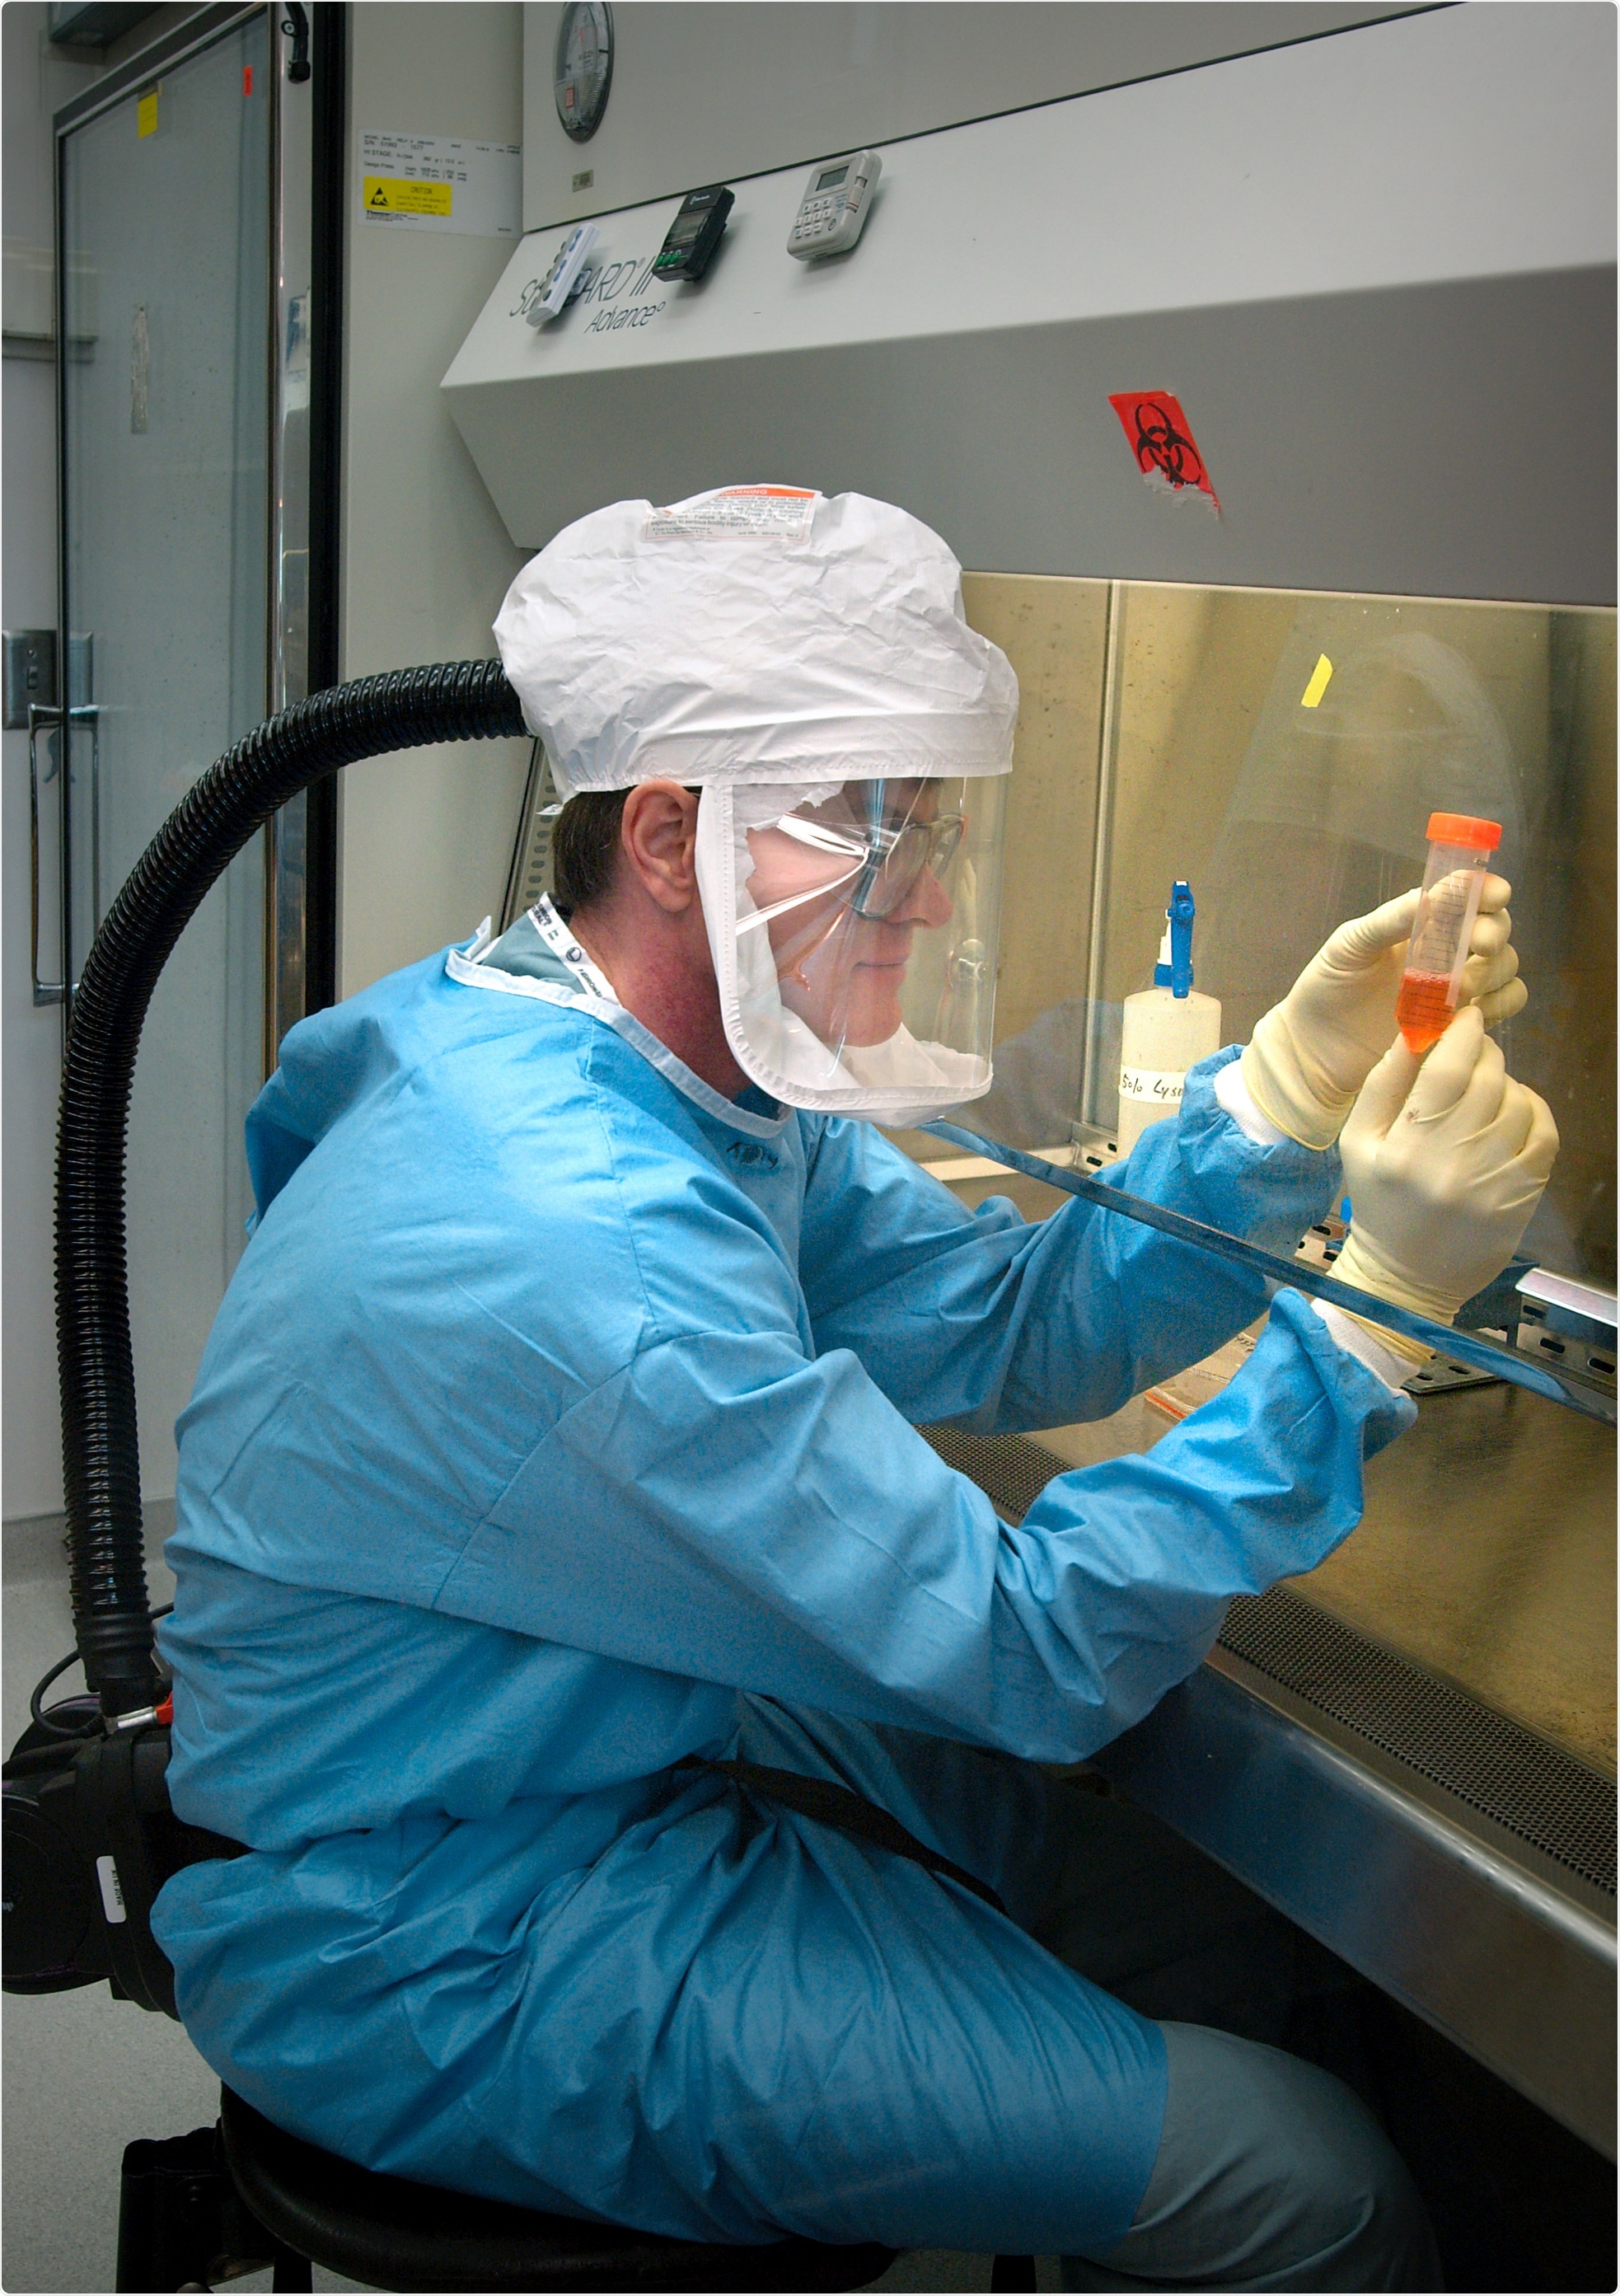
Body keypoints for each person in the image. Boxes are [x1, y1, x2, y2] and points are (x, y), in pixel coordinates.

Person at [152, 489, 1556, 2289]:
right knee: (1305, 2181)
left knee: (1179, 1914)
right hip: (440, 1930)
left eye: (941, 823)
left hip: (572, 1740)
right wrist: (1369, 1324)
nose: (935, 888)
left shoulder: (609, 1054)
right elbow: (1031, 1656)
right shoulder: (582, 1251)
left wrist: (1279, 1093)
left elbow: (995, 1317)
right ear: (668, 831)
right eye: (878, 824)